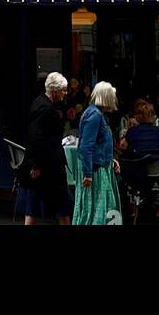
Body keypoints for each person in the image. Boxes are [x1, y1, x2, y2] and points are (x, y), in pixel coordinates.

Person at [16, 72, 72, 226]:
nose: (65, 93)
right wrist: (35, 165)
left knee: (34, 202)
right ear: (55, 90)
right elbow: (36, 137)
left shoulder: (39, 102)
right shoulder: (46, 109)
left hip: (45, 163)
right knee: (62, 202)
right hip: (49, 165)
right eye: (63, 90)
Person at [73, 81, 121, 226]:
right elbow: (86, 147)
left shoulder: (98, 114)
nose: (114, 101)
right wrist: (87, 174)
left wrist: (112, 159)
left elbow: (101, 144)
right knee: (97, 208)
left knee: (102, 207)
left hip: (100, 166)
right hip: (95, 170)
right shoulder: (94, 116)